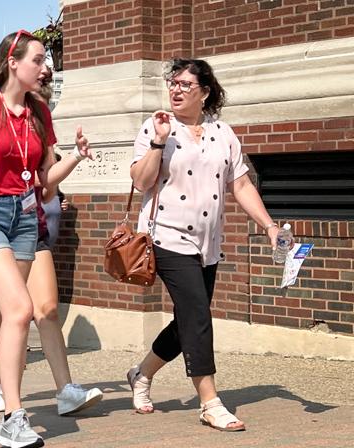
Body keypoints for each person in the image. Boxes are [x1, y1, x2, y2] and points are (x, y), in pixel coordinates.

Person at [0, 30, 90, 448]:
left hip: (24, 216)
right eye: (39, 59)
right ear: (13, 62)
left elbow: (45, 184)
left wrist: (77, 157)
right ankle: (13, 414)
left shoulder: (38, 115)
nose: (46, 67)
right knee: (20, 309)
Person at [129, 58, 280, 432]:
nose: (176, 90)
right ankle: (210, 402)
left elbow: (241, 185)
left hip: (207, 244)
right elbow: (140, 181)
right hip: (165, 235)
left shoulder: (223, 134)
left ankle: (141, 372)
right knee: (198, 315)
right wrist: (157, 143)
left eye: (184, 84)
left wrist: (269, 225)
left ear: (205, 92)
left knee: (186, 323)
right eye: (172, 83)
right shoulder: (157, 126)